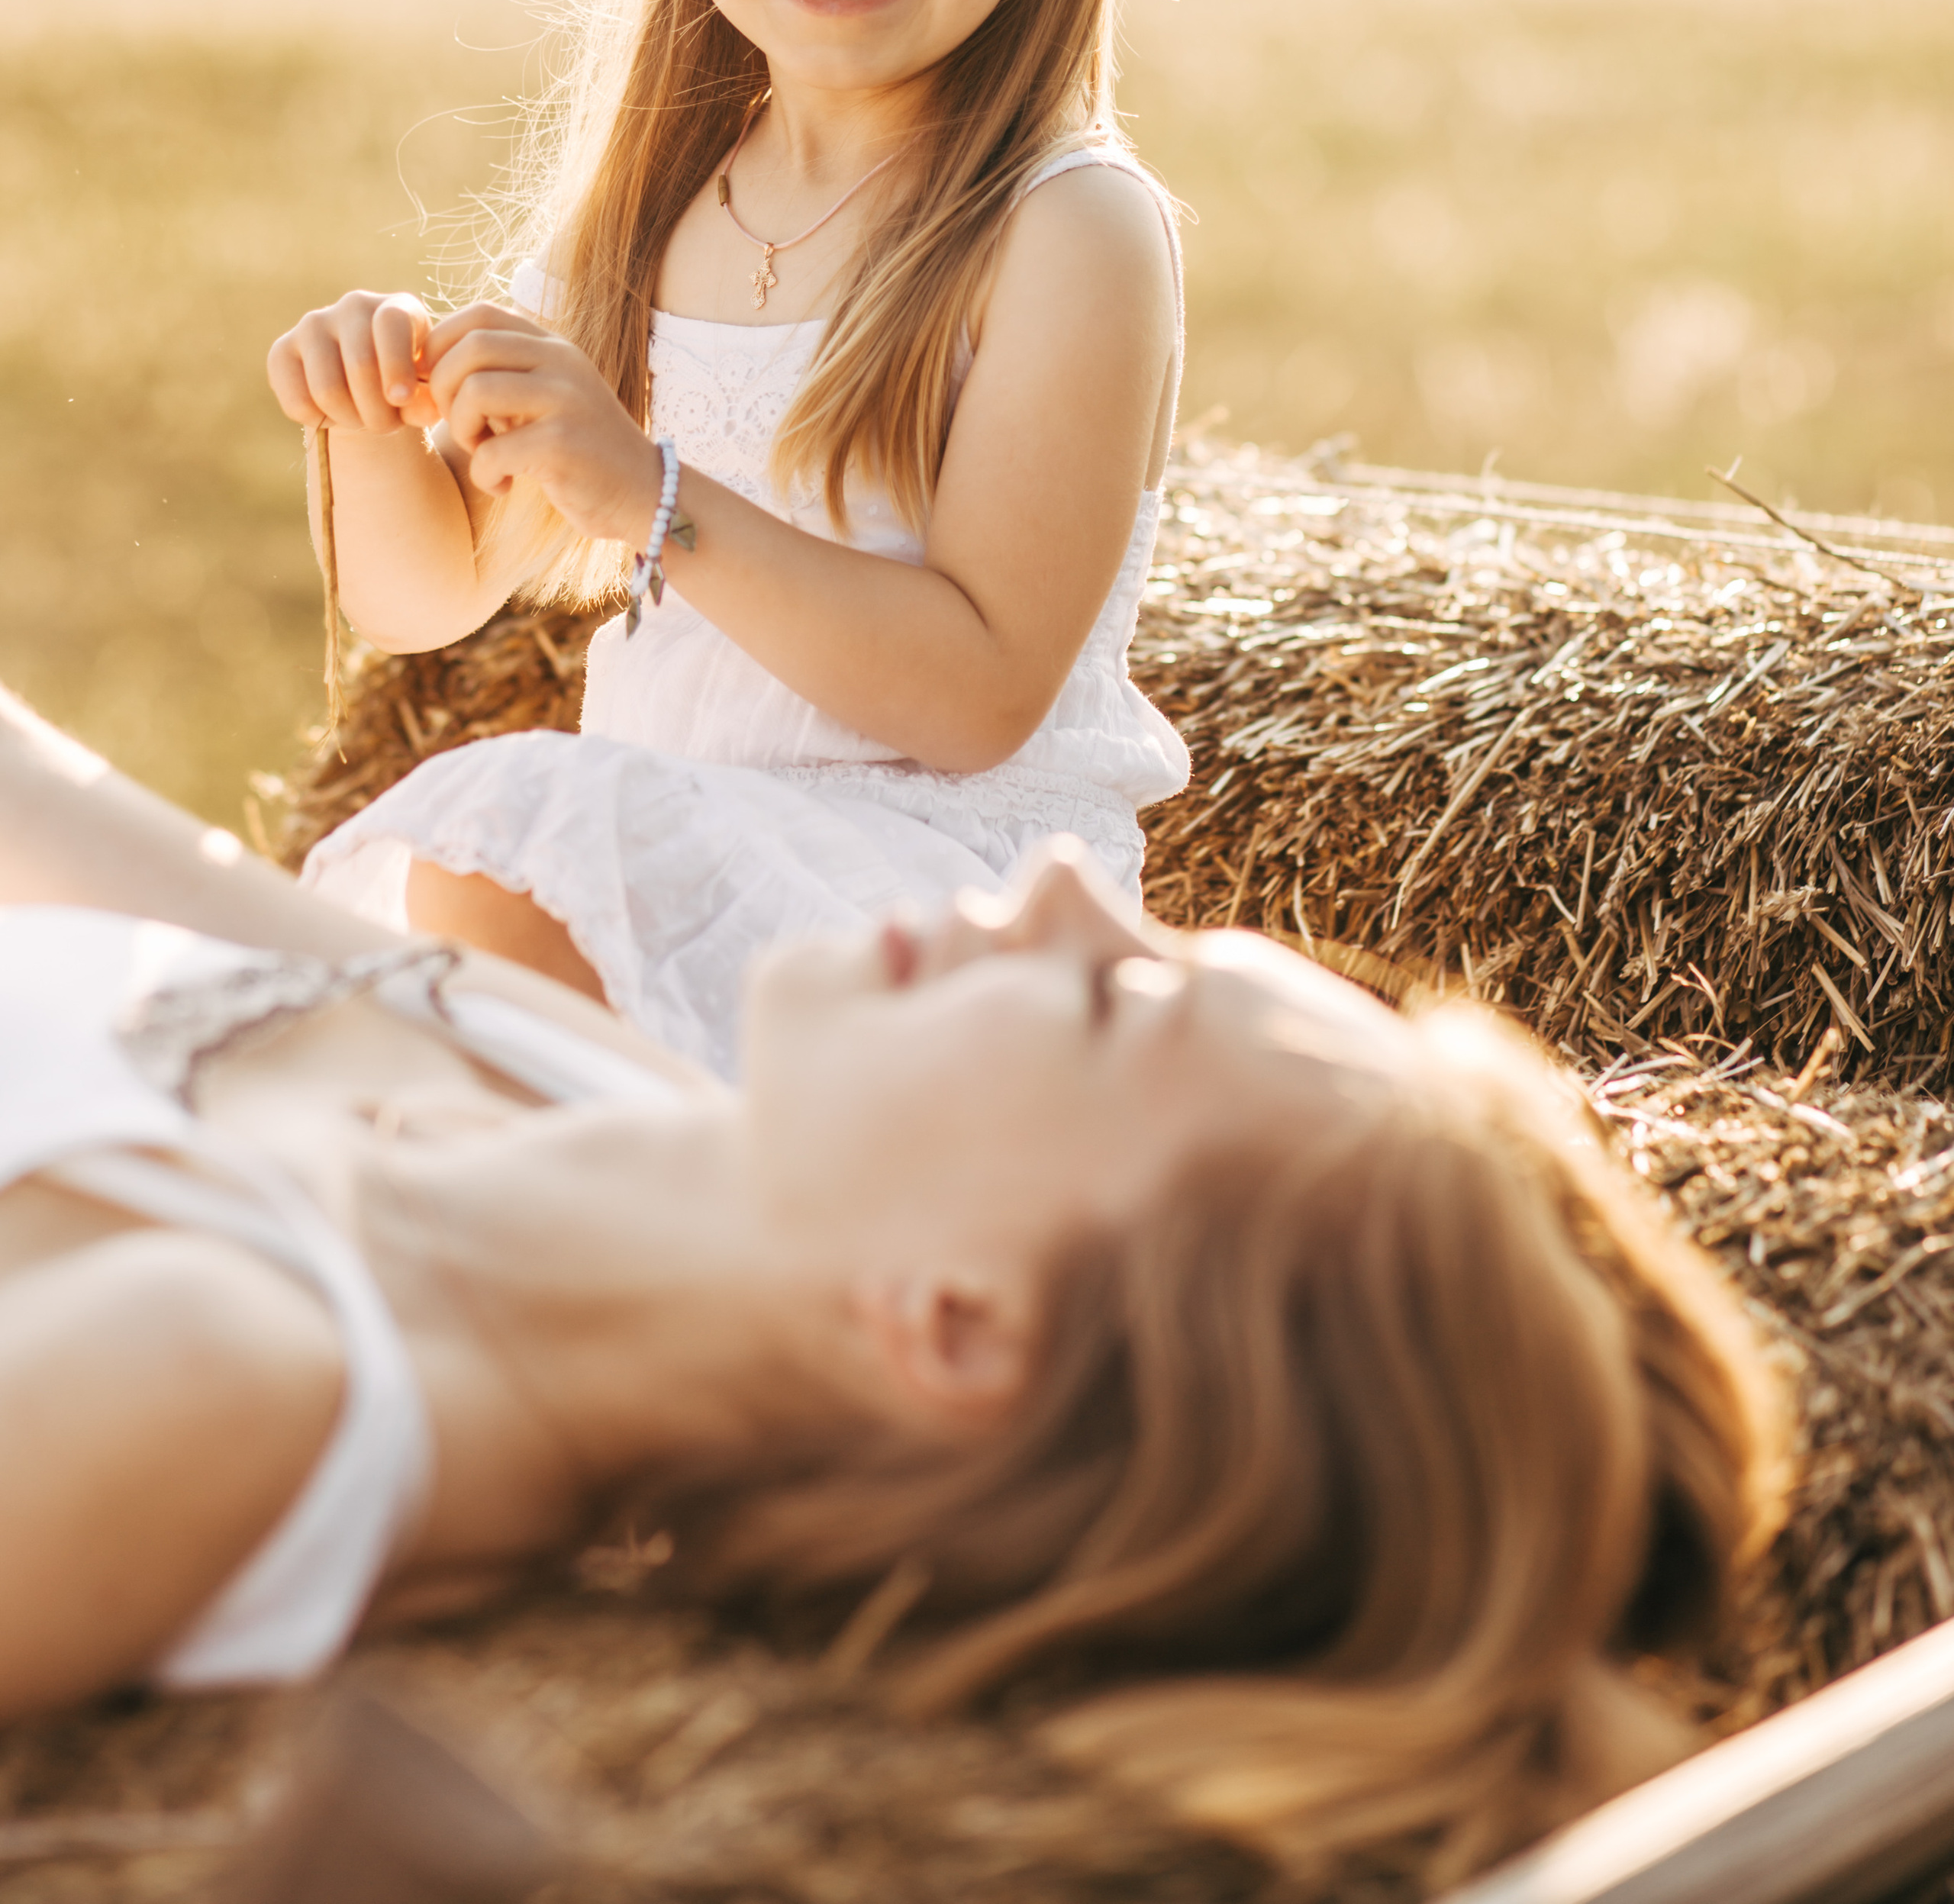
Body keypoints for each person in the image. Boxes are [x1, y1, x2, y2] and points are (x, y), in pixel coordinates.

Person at [0, 685, 1784, 1893]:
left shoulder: (233, 1376)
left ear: (958, 1320)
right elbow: (66, 819)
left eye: (1113, 1001)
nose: (1082, 883)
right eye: (1158, 944)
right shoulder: (575, 1083)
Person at [267, 0, 1191, 1074]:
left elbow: (977, 695)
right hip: (689, 882)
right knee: (432, 918)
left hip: (944, 924)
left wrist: (652, 498)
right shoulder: (657, 209)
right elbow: (426, 600)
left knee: (515, 843)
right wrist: (362, 434)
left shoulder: (1063, 231)